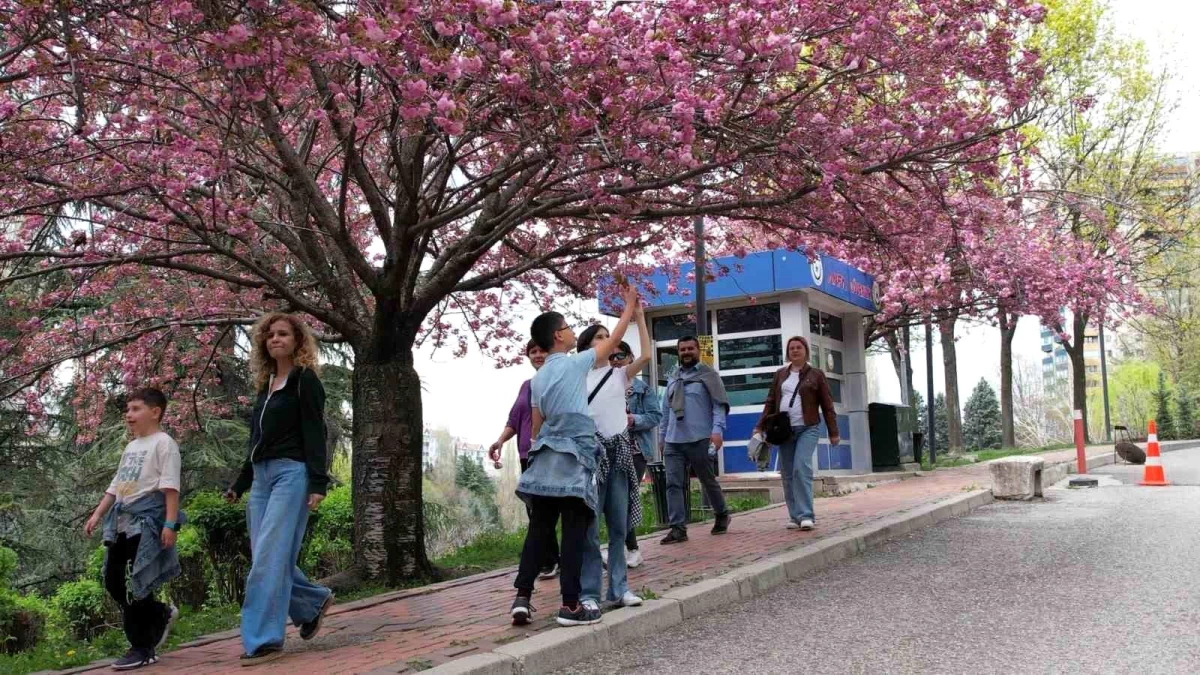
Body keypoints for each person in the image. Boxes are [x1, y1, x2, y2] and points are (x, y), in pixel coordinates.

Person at [510, 283, 640, 628]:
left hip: (545, 459)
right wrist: (628, 307)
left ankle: (522, 597)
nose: (570, 331)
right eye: (567, 327)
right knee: (573, 531)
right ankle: (570, 606)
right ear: (558, 336)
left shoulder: (538, 379)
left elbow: (537, 427)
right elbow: (614, 342)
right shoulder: (575, 363)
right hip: (576, 458)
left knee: (539, 529)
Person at [224, 313, 335, 666]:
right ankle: (311, 602)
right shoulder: (267, 384)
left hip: (291, 475)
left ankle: (264, 640)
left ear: (298, 341)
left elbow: (316, 432)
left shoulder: (305, 381)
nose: (275, 339)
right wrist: (241, 482)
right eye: (270, 335)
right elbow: (258, 440)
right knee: (267, 557)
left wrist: (318, 481)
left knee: (269, 557)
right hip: (261, 477)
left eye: (283, 334)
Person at [84, 388, 183, 671]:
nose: (129, 415)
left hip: (147, 522)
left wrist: (170, 524)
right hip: (121, 524)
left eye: (136, 409)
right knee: (114, 581)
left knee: (133, 584)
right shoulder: (131, 447)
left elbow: (170, 487)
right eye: (128, 410)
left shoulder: (164, 444)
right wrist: (97, 514)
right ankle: (160, 613)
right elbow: (117, 485)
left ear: (155, 412)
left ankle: (142, 646)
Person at [577, 314, 652, 611]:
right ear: (587, 346)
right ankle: (590, 593)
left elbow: (646, 354)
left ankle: (620, 588)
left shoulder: (619, 374)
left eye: (609, 335)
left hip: (619, 457)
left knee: (619, 527)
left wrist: (641, 317)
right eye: (599, 336)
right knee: (590, 528)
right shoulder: (577, 377)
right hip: (590, 458)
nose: (607, 340)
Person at [753, 336, 839, 531]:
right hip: (785, 430)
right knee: (788, 473)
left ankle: (807, 515)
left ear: (806, 350)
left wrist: (834, 432)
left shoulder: (816, 375)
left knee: (801, 468)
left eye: (798, 347)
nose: (795, 351)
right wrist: (760, 426)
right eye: (791, 348)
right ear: (788, 352)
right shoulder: (780, 374)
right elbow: (770, 401)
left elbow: (827, 405)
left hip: (808, 428)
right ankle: (795, 516)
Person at [488, 339, 559, 578]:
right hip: (527, 455)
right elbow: (514, 420)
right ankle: (550, 558)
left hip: (550, 452)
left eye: (542, 350)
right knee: (534, 508)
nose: (538, 355)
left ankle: (551, 560)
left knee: (543, 508)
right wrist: (499, 441)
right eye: (533, 351)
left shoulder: (558, 381)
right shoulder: (526, 385)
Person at [658, 335, 731, 545]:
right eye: (682, 350)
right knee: (673, 484)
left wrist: (717, 432)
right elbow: (666, 410)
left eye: (690, 349)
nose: (686, 352)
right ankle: (678, 528)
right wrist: (662, 437)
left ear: (698, 350)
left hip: (699, 438)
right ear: (678, 353)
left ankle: (722, 513)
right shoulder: (673, 378)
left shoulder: (709, 375)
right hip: (673, 440)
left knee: (707, 480)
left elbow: (718, 406)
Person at [612, 341, 661, 568]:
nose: (615, 360)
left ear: (631, 357)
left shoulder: (642, 389)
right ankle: (622, 547)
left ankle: (631, 548)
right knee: (614, 500)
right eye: (611, 357)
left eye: (620, 355)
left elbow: (655, 416)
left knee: (626, 497)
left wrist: (634, 420)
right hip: (609, 450)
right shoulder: (606, 386)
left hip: (635, 450)